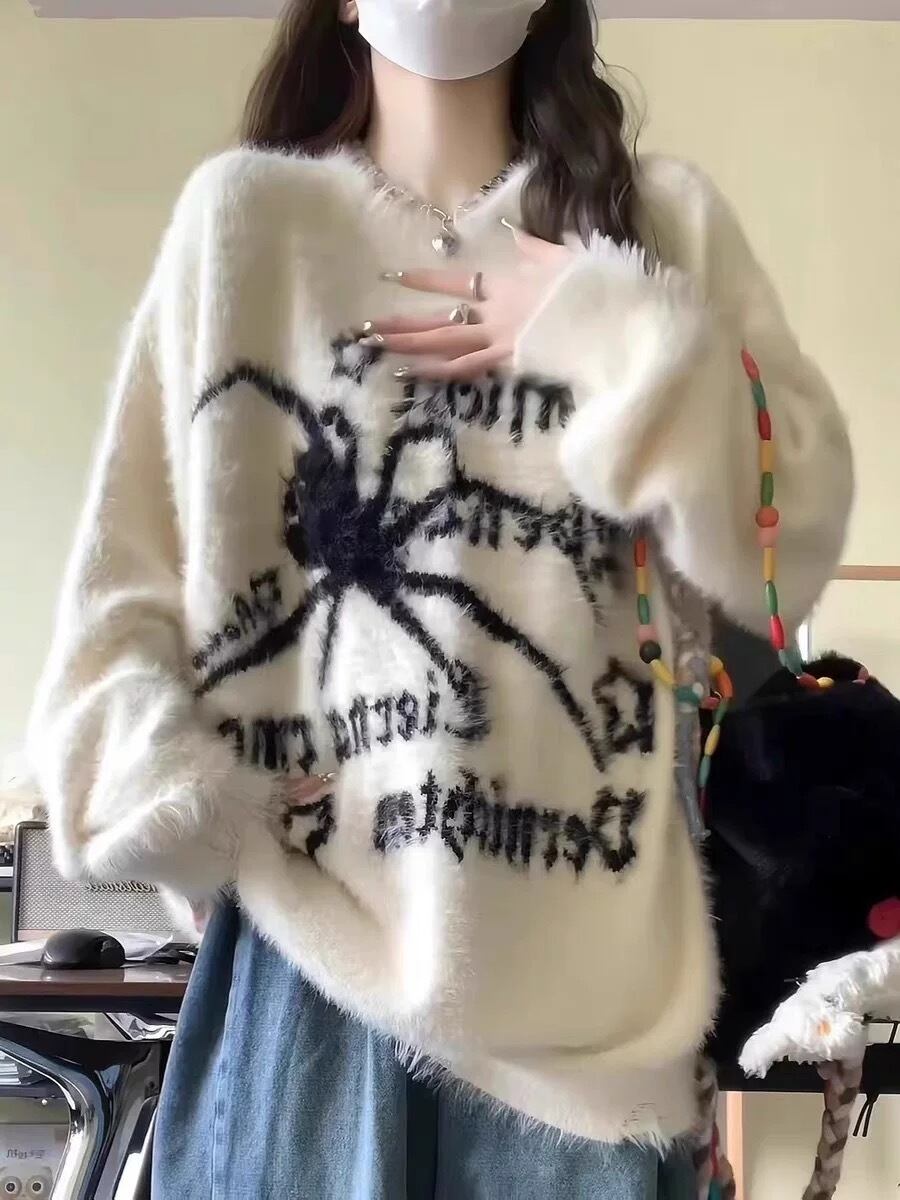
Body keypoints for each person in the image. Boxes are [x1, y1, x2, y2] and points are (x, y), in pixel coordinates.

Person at [28, 0, 853, 1195]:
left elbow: (785, 550)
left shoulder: (661, 224)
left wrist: (612, 331)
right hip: (312, 987)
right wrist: (207, 795)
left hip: (591, 1018)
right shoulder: (245, 223)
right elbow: (118, 613)